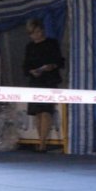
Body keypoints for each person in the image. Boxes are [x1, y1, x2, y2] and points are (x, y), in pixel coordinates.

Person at [23, 18, 64, 153]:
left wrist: (51, 66)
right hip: (35, 81)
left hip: (49, 80)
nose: (37, 35)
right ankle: (40, 140)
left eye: (39, 31)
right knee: (37, 112)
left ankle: (42, 143)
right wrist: (31, 71)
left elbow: (60, 61)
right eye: (34, 33)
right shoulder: (29, 47)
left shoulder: (52, 43)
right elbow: (26, 65)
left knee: (46, 110)